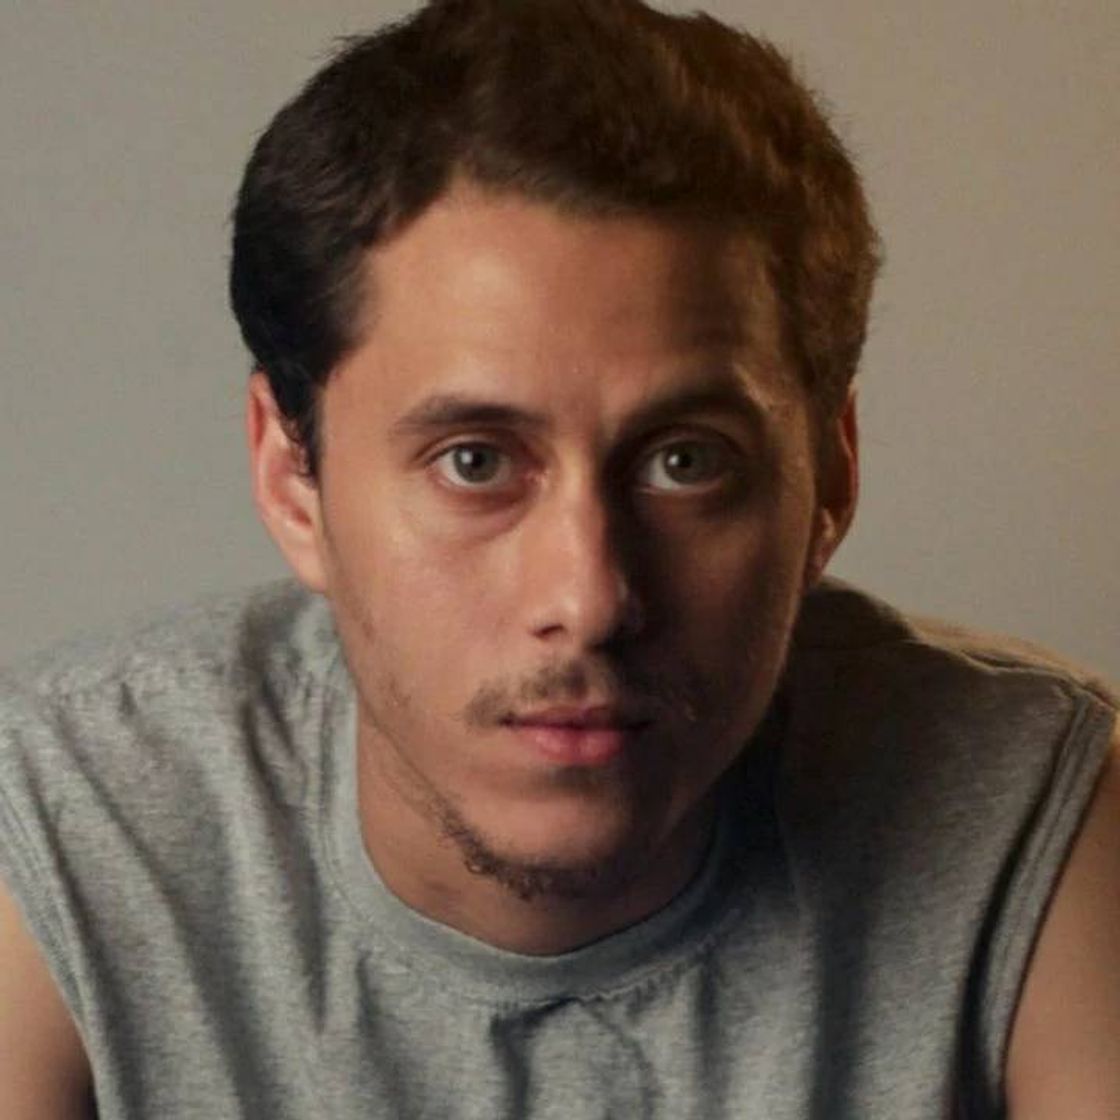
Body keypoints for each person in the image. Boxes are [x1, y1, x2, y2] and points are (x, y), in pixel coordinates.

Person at [1, 0, 1116, 1115]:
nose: (589, 599)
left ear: (829, 478)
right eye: (475, 462)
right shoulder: (64, 824)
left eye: (685, 462)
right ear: (295, 482)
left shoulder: (1033, 808)